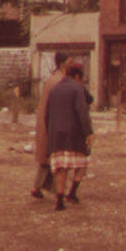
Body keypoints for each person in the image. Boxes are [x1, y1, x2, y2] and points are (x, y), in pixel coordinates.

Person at [45, 56, 94, 211]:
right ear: (78, 77)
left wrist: (50, 135)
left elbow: (47, 115)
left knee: (61, 168)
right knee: (83, 163)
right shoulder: (77, 88)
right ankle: (72, 192)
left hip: (56, 136)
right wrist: (89, 133)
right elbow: (82, 111)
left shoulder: (54, 89)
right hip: (74, 135)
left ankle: (59, 200)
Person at [31, 51, 68, 199]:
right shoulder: (58, 81)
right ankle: (46, 188)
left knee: (49, 158)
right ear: (62, 63)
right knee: (53, 158)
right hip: (52, 123)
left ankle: (41, 187)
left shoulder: (53, 79)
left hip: (48, 121)